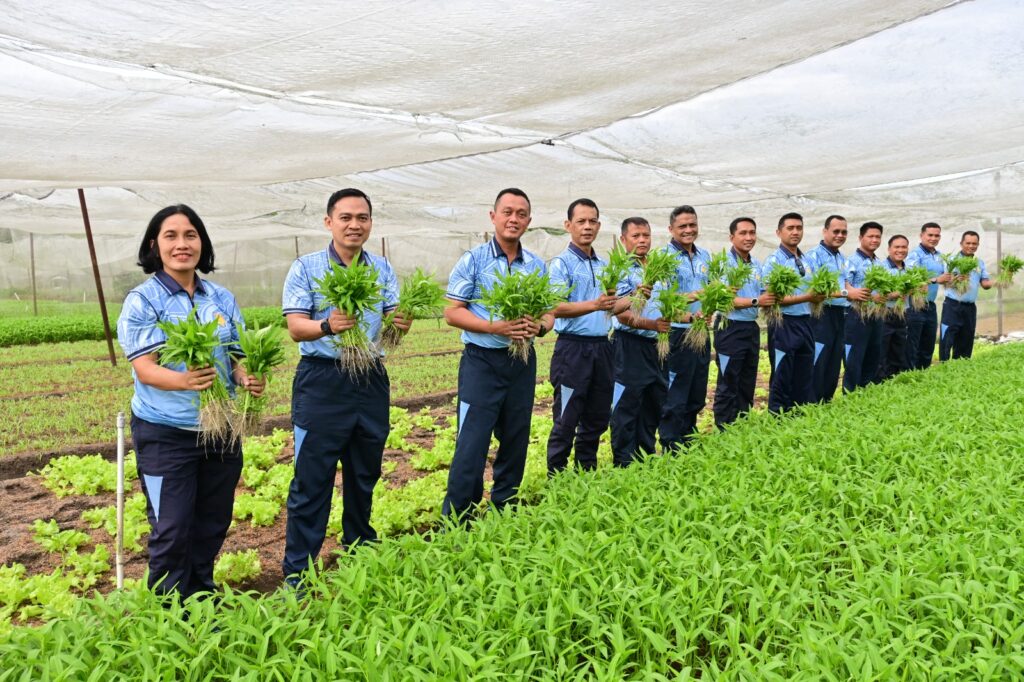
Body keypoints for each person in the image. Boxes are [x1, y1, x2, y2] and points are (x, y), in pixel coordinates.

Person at [117, 204, 265, 600]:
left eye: (191, 235)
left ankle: (200, 600)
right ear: (155, 245)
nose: (182, 244)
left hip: (220, 429)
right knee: (172, 527)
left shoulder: (220, 297)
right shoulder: (143, 300)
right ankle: (166, 614)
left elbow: (236, 354)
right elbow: (145, 368)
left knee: (213, 522)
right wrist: (184, 380)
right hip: (166, 433)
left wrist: (244, 375)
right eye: (171, 236)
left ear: (202, 243)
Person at [280, 188, 409, 585]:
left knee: (364, 471)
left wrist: (400, 324)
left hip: (369, 377)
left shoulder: (382, 269)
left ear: (370, 222)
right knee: (312, 477)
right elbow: (295, 327)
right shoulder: (306, 267)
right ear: (329, 222)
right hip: (323, 380)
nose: (355, 225)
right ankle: (299, 572)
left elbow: (390, 324)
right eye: (346, 217)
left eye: (363, 218)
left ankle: (359, 548)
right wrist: (326, 325)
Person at [443, 188, 554, 521]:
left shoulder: (535, 265)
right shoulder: (473, 260)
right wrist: (495, 328)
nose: (513, 219)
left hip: (521, 362)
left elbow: (549, 313)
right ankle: (458, 516)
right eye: (507, 212)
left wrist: (541, 327)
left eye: (521, 213)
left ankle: (505, 507)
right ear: (493, 217)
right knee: (472, 442)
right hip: (482, 361)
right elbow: (453, 312)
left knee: (516, 435)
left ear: (529, 221)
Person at [546, 199, 631, 475]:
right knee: (566, 418)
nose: (587, 227)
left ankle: (586, 473)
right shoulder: (561, 264)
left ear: (599, 225)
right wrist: (594, 304)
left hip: (602, 348)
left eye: (592, 221)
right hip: (573, 351)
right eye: (581, 221)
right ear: (568, 225)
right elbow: (555, 307)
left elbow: (611, 307)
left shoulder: (606, 265)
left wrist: (636, 297)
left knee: (596, 417)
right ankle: (557, 478)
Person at [609, 218, 670, 466]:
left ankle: (645, 456)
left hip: (656, 346)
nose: (642, 240)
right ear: (624, 240)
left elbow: (667, 302)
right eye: (636, 236)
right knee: (626, 406)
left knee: (653, 403)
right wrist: (651, 325)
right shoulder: (620, 269)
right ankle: (624, 463)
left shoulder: (658, 267)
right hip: (629, 345)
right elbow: (621, 315)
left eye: (646, 235)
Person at [712, 217, 775, 427]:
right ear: (732, 237)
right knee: (728, 381)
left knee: (748, 381)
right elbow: (724, 300)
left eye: (752, 233)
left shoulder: (757, 264)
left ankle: (743, 427)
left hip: (750, 327)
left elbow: (765, 293)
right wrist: (757, 301)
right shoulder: (723, 264)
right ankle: (724, 429)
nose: (749, 237)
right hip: (729, 327)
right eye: (743, 233)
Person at [761, 212, 826, 413]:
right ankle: (778, 416)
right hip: (784, 324)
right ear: (779, 232)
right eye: (790, 228)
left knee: (804, 372)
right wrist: (808, 297)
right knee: (782, 374)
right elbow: (772, 298)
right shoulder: (774, 261)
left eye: (799, 228)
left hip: (805, 321)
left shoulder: (805, 259)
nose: (795, 232)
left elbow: (814, 289)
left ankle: (798, 414)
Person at [658, 205, 710, 452]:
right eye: (683, 226)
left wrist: (710, 307)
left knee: (697, 389)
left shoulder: (705, 256)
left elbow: (712, 290)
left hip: (701, 331)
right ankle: (671, 443)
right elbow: (663, 301)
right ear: (671, 229)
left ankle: (689, 438)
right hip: (677, 332)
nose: (689, 230)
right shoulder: (663, 258)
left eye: (692, 225)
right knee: (675, 391)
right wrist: (693, 302)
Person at [805, 215, 862, 401]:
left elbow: (846, 284)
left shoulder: (841, 258)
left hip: (840, 314)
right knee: (818, 361)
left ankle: (826, 402)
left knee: (834, 362)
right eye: (835, 231)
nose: (840, 235)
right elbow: (815, 290)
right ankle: (811, 404)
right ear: (825, 231)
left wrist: (860, 293)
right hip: (821, 314)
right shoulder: (813, 256)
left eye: (844, 232)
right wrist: (847, 294)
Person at [843, 222, 886, 392]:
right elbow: (846, 288)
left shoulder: (879, 263)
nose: (875, 240)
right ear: (861, 238)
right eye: (871, 236)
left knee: (873, 357)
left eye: (878, 237)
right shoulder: (851, 262)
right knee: (854, 359)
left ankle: (865, 395)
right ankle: (849, 395)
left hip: (876, 315)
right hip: (856, 315)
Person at [940, 230, 992, 360]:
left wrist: (1001, 280)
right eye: (968, 243)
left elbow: (985, 283)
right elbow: (944, 281)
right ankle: (943, 367)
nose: (971, 246)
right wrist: (956, 279)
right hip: (952, 306)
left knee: (966, 339)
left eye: (974, 243)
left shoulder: (979, 263)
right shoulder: (952, 260)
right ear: (961, 243)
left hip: (969, 307)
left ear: (978, 245)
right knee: (947, 338)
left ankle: (961, 367)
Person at [905, 222, 951, 369]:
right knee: (913, 344)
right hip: (914, 304)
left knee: (928, 343)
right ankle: (910, 376)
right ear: (921, 235)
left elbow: (945, 277)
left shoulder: (939, 256)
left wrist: (953, 279)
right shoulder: (914, 255)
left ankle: (923, 375)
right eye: (930, 235)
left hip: (930, 305)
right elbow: (910, 279)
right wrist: (936, 280)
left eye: (936, 235)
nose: (933, 238)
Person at [877, 234, 911, 381]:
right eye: (897, 247)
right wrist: (894, 295)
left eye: (904, 247)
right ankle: (880, 384)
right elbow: (876, 295)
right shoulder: (880, 268)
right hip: (885, 314)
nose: (900, 250)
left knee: (899, 351)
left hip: (902, 314)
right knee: (882, 352)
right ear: (889, 249)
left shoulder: (908, 270)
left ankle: (895, 383)